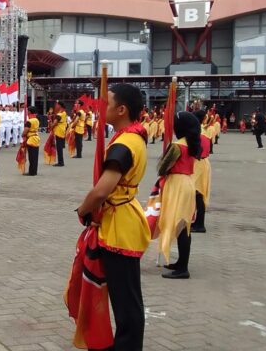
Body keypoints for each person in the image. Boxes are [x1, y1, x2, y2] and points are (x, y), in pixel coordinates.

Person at [75, 83, 149, 350]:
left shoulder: (125, 144)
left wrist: (83, 209)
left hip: (120, 226)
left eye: (107, 103)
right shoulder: (131, 137)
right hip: (121, 218)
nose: (102, 108)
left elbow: (102, 190)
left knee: (125, 301)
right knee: (125, 297)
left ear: (121, 109)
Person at [158, 111, 202, 280]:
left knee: (181, 226)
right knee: (183, 225)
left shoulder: (177, 146)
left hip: (177, 185)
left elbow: (162, 168)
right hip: (187, 183)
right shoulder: (191, 144)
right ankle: (181, 263)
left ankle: (183, 267)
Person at [191, 110, 212, 234]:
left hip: (199, 163)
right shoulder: (201, 131)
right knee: (198, 193)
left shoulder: (198, 133)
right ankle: (198, 221)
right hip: (201, 162)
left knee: (198, 193)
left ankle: (200, 223)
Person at [23, 106, 40, 176]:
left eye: (28, 111)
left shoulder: (29, 121)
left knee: (31, 157)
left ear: (29, 112)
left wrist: (23, 135)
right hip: (36, 138)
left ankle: (31, 172)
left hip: (31, 139)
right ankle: (34, 171)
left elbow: (25, 131)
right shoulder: (36, 120)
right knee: (35, 157)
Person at [53, 101, 68, 166]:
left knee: (59, 147)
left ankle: (60, 162)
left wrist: (51, 125)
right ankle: (60, 161)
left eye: (57, 105)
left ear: (60, 106)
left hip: (59, 131)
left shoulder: (59, 114)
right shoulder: (64, 113)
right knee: (60, 147)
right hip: (62, 130)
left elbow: (55, 123)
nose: (56, 106)